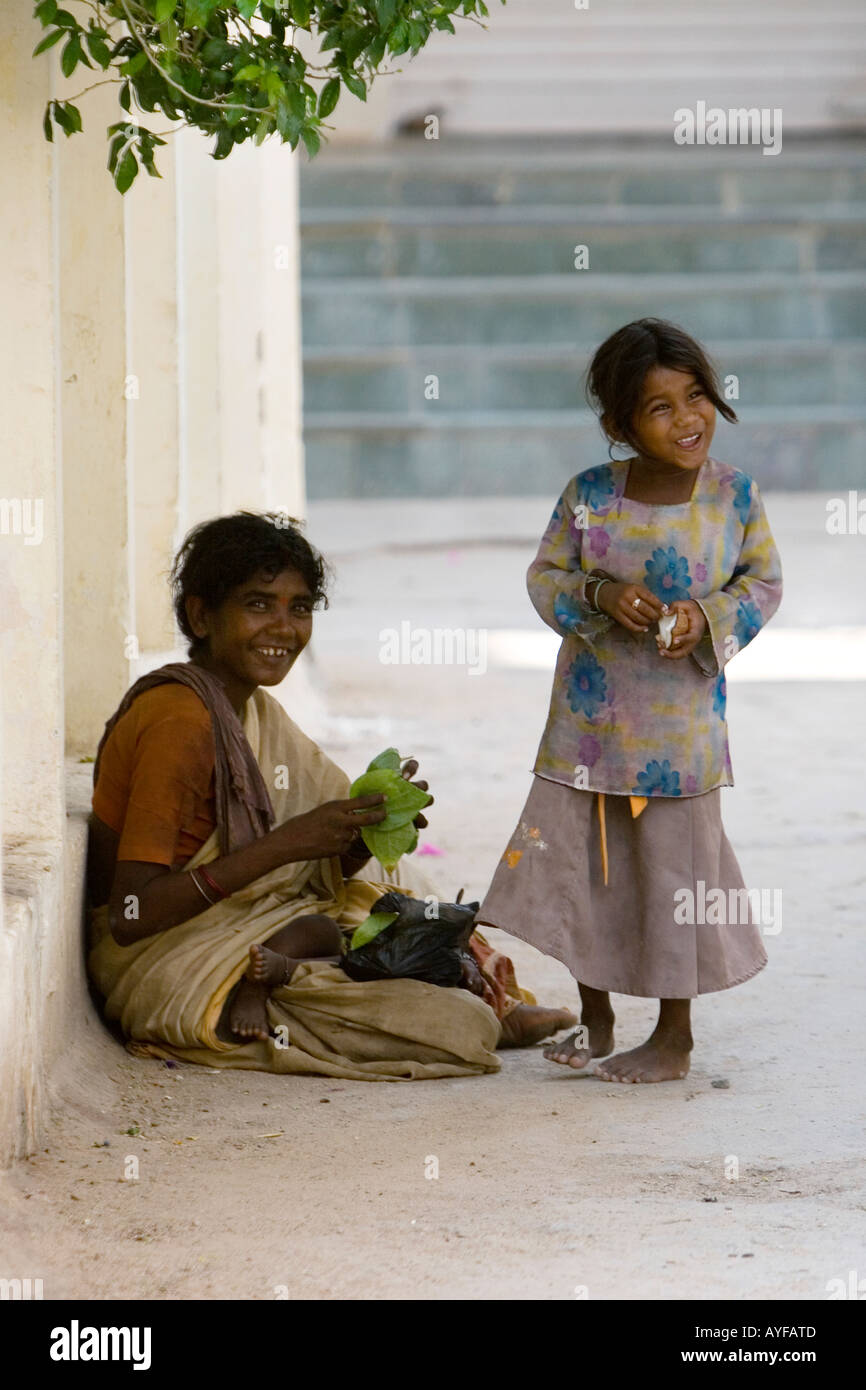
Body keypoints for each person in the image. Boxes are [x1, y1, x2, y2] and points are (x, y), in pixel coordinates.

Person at [86, 513, 575, 1082]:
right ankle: (476, 1009)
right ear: (201, 616)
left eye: (299, 608)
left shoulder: (249, 708)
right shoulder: (177, 720)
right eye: (258, 604)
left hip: (247, 925)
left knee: (401, 891)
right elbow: (130, 915)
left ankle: (496, 1000)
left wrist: (363, 833)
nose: (283, 628)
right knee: (453, 1025)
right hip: (170, 960)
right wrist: (287, 846)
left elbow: (312, 876)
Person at [477, 318, 783, 1083]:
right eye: (660, 408)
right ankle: (600, 1016)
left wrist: (705, 618)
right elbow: (547, 577)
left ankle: (674, 1037)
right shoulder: (588, 498)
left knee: (675, 876)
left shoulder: (733, 496)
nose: (687, 420)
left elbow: (763, 583)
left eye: (696, 397)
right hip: (587, 728)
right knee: (589, 868)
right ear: (619, 424)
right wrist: (601, 594)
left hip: (680, 737)